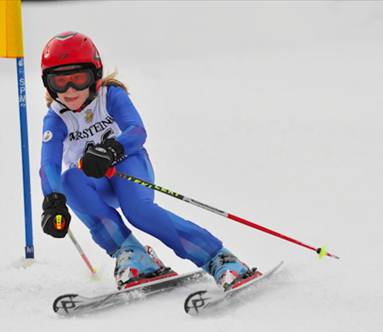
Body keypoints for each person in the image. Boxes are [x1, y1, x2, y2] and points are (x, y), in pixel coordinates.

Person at [39, 31, 258, 290]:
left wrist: (111, 150)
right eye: (60, 82)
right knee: (68, 180)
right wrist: (53, 202)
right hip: (95, 182)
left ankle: (219, 259)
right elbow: (49, 165)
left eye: (78, 78)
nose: (70, 90)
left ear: (95, 74)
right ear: (48, 84)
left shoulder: (111, 96)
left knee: (139, 212)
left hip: (128, 166)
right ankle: (133, 256)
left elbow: (137, 131)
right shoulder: (56, 118)